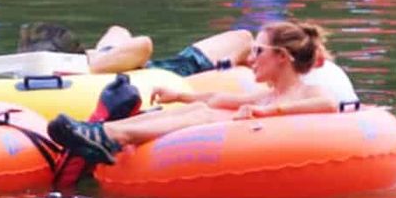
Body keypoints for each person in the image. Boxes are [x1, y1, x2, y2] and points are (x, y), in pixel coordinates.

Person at [48, 21, 339, 163]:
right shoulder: (266, 94)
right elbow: (220, 99)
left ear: (282, 57)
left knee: (207, 115)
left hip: (268, 146)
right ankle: (103, 132)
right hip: (248, 123)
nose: (250, 59)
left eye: (258, 52)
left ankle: (112, 137)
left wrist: (269, 112)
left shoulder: (304, 91)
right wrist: (181, 97)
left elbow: (329, 104)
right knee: (202, 109)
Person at [86, 24, 253, 77]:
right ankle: (88, 60)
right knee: (118, 30)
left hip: (177, 71)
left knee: (141, 43)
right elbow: (245, 39)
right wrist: (233, 61)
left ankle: (87, 63)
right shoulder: (247, 44)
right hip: (178, 66)